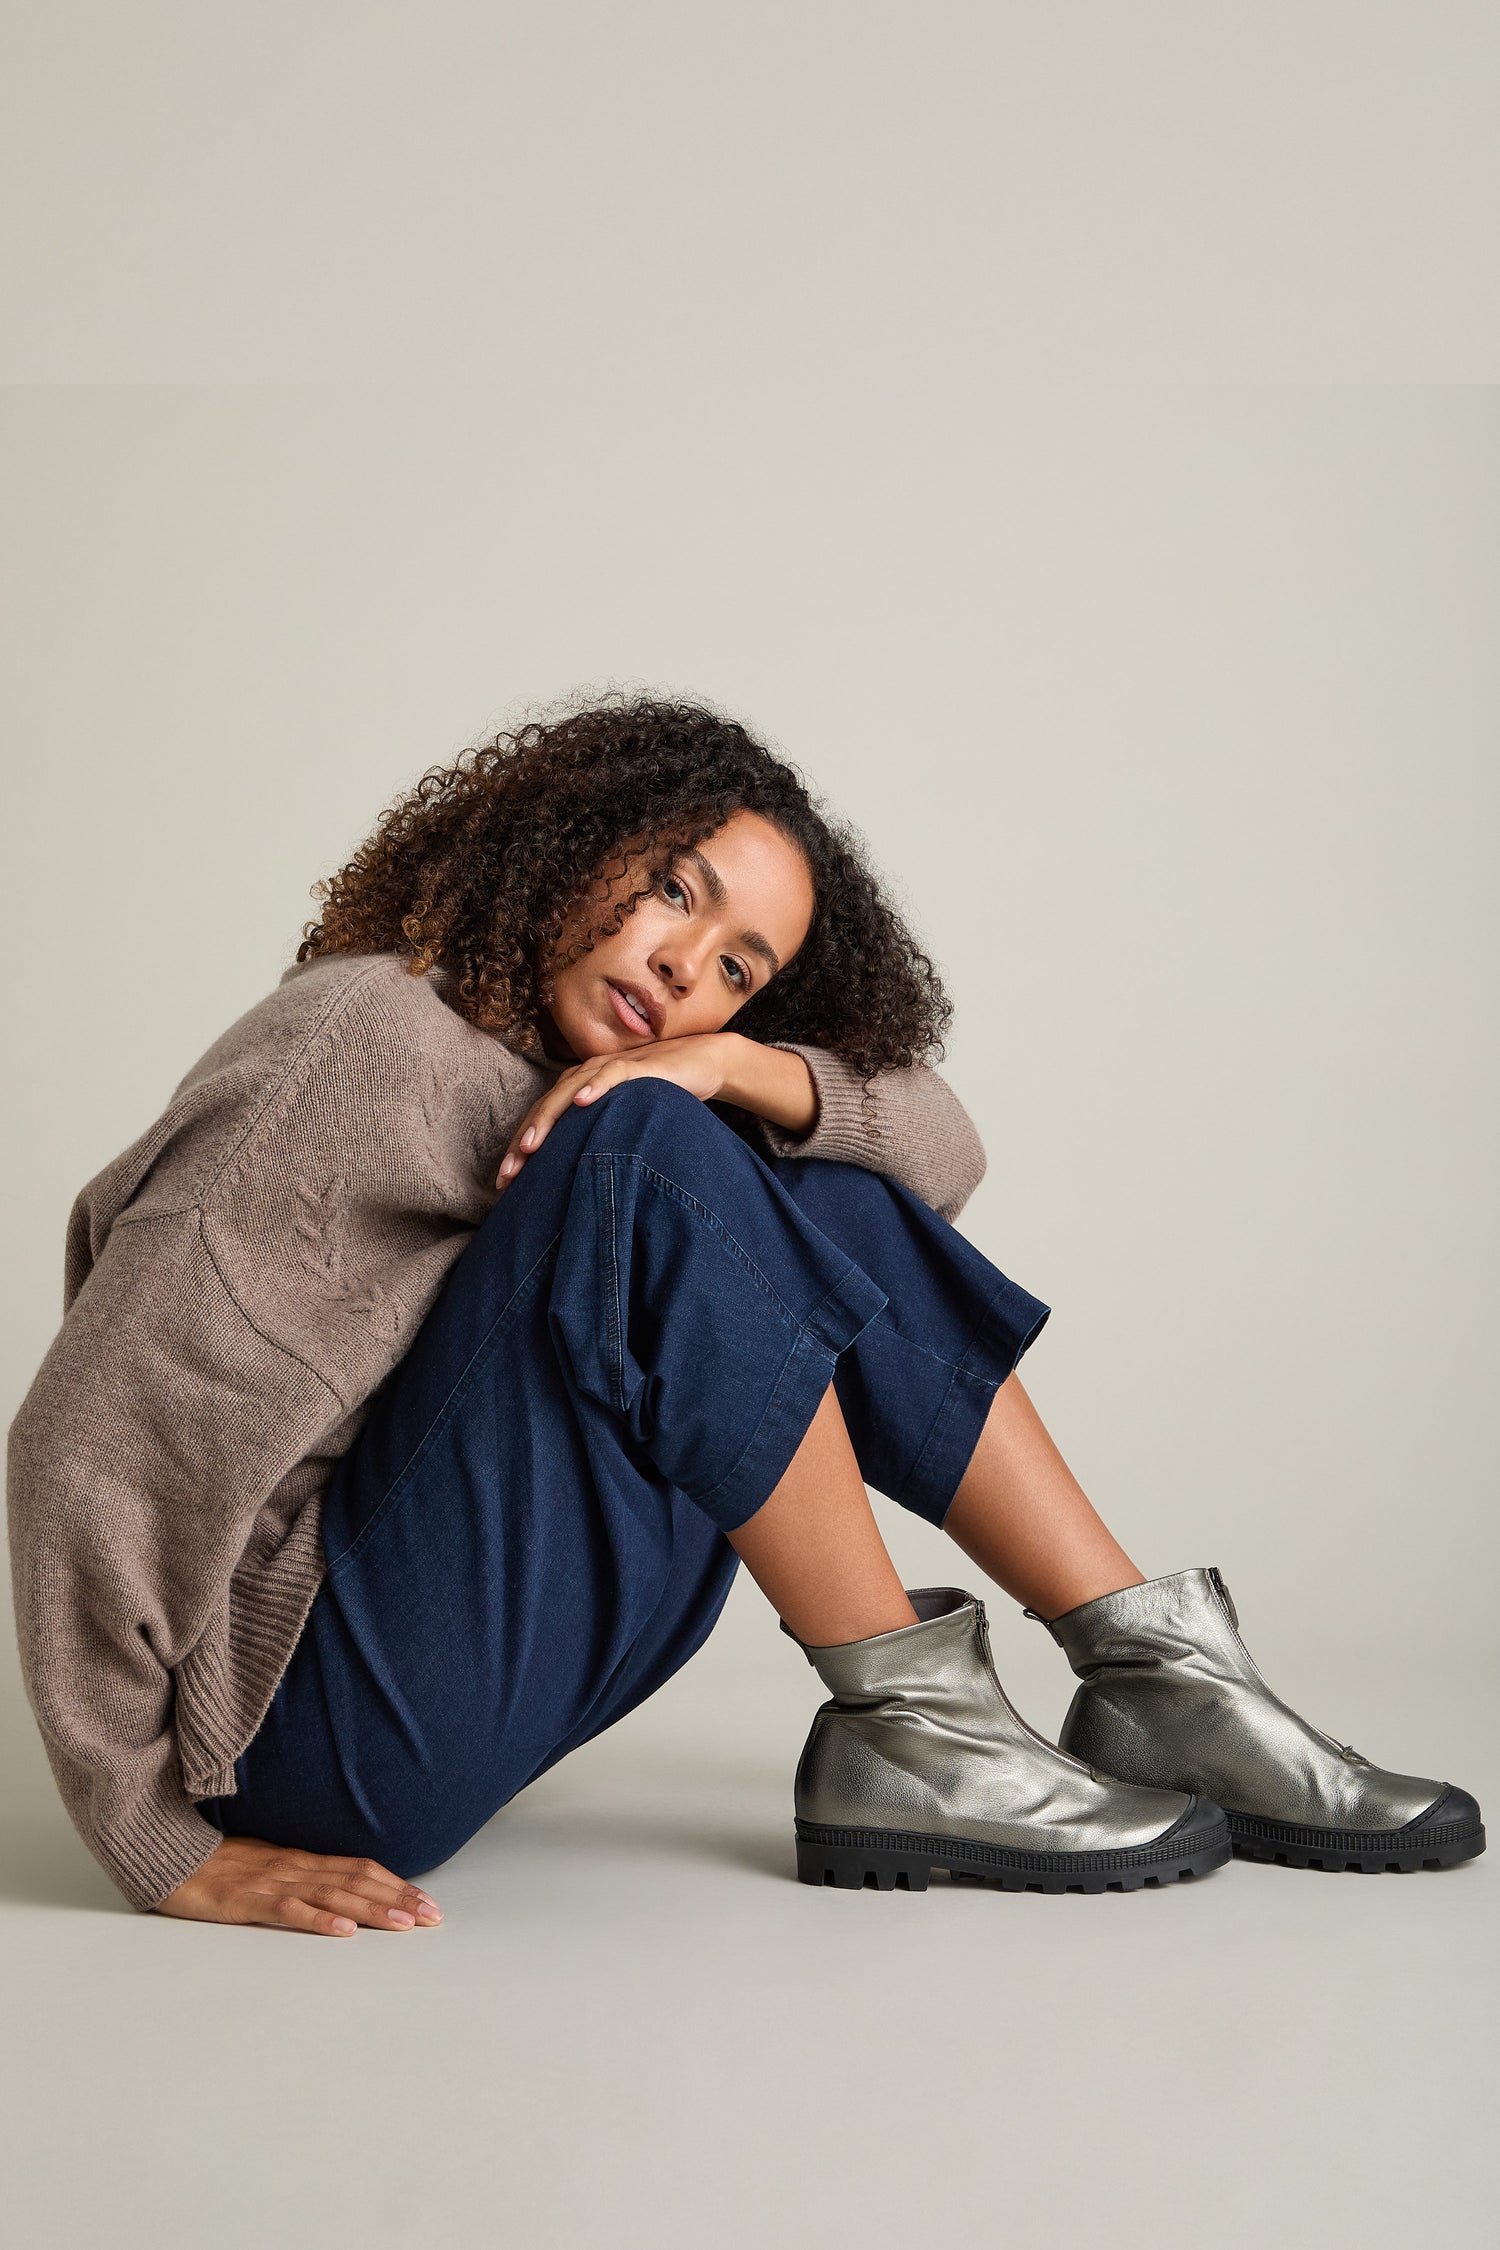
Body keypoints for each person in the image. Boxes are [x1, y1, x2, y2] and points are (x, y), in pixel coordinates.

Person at [6, 696, 1483, 1937]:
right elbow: (80, 1445)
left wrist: (734, 1071)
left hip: (473, 1658)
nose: (682, 969)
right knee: (650, 1159)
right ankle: (917, 1731)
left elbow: (941, 1154)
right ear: (571, 839)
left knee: (797, 1177)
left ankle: (1157, 1675)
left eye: (739, 971)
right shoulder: (369, 1044)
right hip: (302, 1732)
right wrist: (157, 1839)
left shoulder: (636, 1073)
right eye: (674, 891)